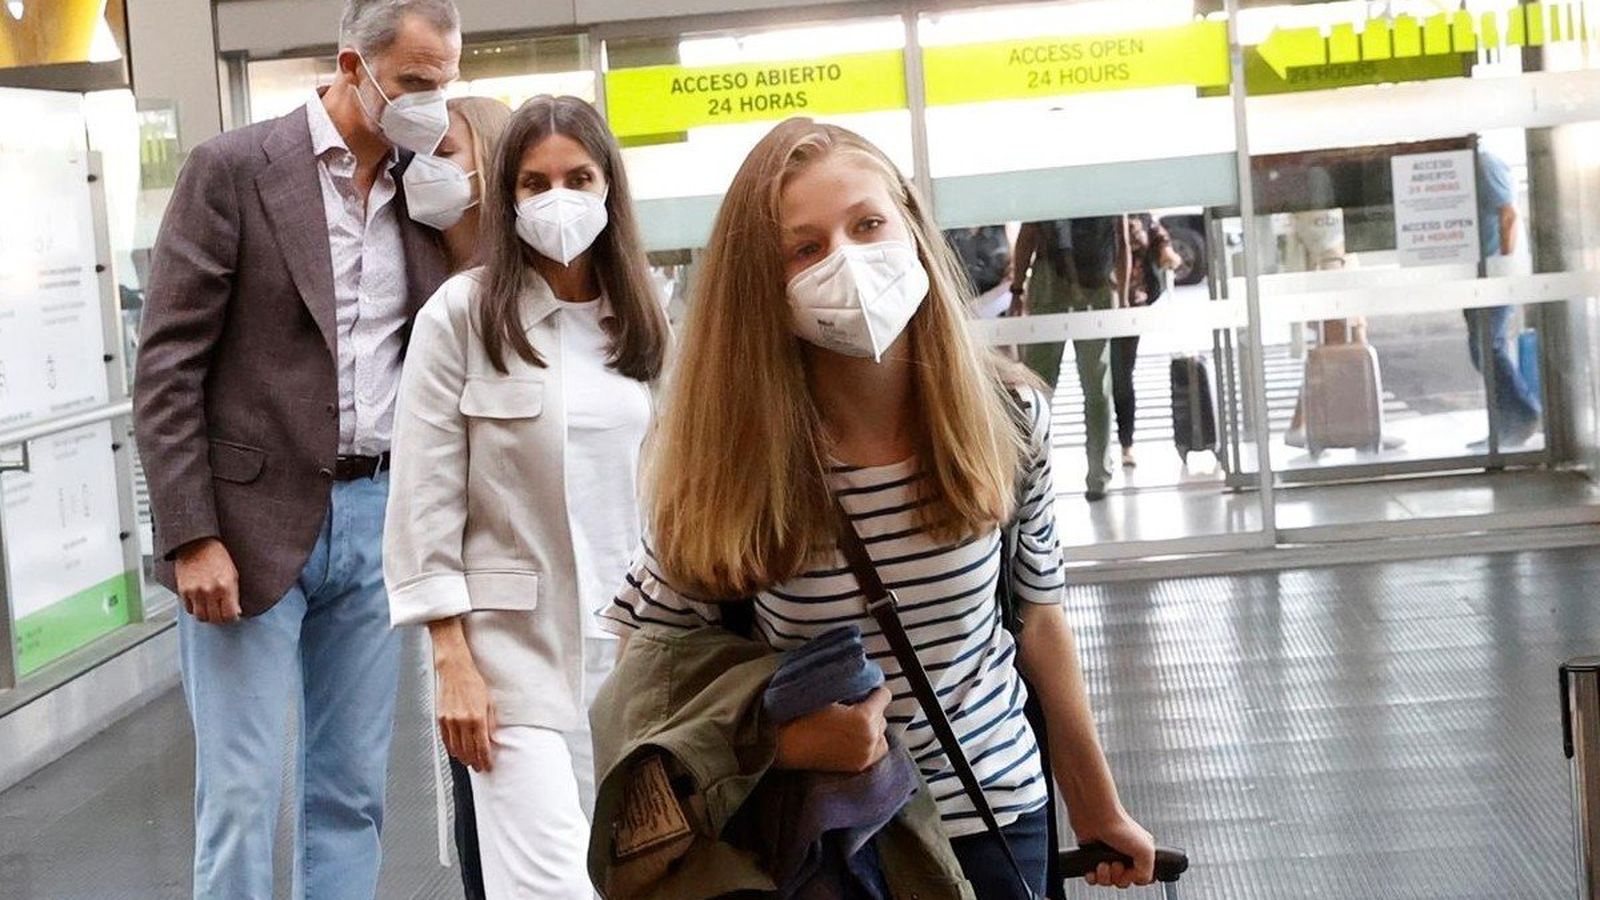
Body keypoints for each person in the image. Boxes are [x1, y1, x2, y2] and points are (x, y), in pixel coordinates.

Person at [601, 118, 1156, 896]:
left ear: (913, 228)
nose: (848, 262)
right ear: (764, 282)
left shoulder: (1009, 416)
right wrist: (780, 744)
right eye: (806, 248)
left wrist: (1099, 808)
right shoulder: (727, 462)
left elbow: (1039, 619)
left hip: (996, 819)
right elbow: (643, 689)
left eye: (867, 225)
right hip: (834, 840)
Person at [132, 1, 457, 896]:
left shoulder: (426, 189)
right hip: (243, 527)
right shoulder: (233, 169)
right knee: (241, 793)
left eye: (446, 82)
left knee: (351, 791)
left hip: (374, 517)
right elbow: (167, 368)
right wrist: (189, 532)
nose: (432, 101)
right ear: (353, 66)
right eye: (417, 82)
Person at [384, 94, 669, 899]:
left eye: (579, 176)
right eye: (535, 182)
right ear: (507, 197)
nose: (559, 198)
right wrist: (451, 663)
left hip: (633, 655)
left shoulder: (644, 318)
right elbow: (424, 502)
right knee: (548, 886)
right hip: (510, 661)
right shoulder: (463, 317)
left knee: (630, 878)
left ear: (610, 187)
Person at [400, 93, 512, 900]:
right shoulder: (422, 291)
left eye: (447, 149)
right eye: (420, 151)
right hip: (461, 608)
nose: (426, 168)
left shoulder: (539, 295)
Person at [1011, 216, 1131, 501]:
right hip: (1097, 286)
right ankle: (1099, 477)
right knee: (1098, 388)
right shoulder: (1102, 182)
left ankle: (1031, 476)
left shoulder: (1046, 181)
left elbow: (1028, 233)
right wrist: (1123, 299)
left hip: (1049, 281)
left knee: (1037, 388)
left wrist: (1018, 288)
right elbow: (1121, 239)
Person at [1466, 149, 1541, 446]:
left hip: (1495, 269)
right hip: (1478, 270)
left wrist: (1504, 264)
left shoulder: (1483, 163)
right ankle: (1506, 425)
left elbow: (1508, 213)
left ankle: (1522, 415)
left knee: (1488, 346)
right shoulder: (1468, 163)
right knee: (1481, 348)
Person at [1110, 214, 1181, 469]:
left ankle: (1126, 444)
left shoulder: (1137, 212)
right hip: (1095, 299)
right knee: (1102, 383)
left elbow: (1158, 236)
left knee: (1121, 378)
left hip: (1129, 306)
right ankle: (1108, 450)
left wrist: (1167, 254)